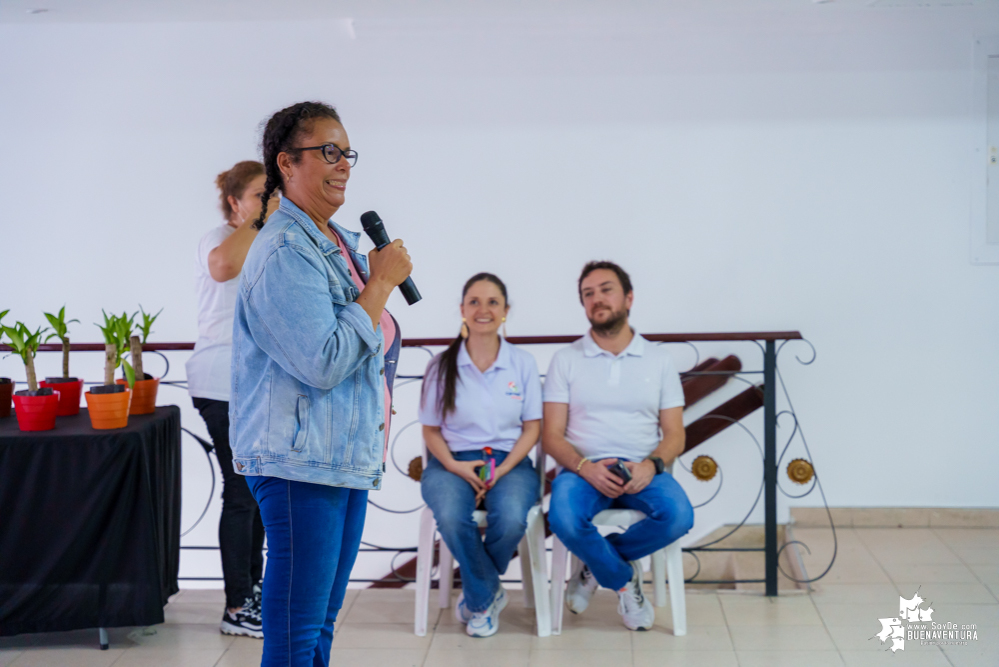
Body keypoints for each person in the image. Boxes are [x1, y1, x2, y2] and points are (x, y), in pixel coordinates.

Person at [229, 101, 411, 666]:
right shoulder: (286, 250)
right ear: (286, 162)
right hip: (296, 465)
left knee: (320, 627)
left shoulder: (334, 243)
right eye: (328, 152)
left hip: (339, 458)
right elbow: (323, 359)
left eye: (347, 153)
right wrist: (380, 283)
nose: (343, 165)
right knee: (294, 635)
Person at [542, 261, 694, 632]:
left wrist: (651, 465)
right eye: (588, 294)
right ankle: (623, 580)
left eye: (606, 289)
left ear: (628, 297)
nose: (597, 299)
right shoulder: (566, 360)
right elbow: (551, 435)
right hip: (583, 469)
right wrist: (584, 468)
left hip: (642, 467)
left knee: (679, 516)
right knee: (561, 517)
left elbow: (675, 433)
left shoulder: (658, 360)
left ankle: (596, 566)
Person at [418, 273, 542, 638]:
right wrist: (455, 465)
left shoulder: (522, 363)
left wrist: (502, 470)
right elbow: (430, 430)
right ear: (462, 310)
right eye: (474, 301)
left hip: (510, 460)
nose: (483, 309)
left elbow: (532, 428)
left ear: (505, 311)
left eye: (492, 302)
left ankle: (477, 593)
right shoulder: (441, 365)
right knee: (454, 518)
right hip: (451, 461)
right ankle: (486, 595)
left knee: (512, 518)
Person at [187, 160, 279, 638]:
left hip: (253, 385)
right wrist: (263, 218)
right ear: (234, 202)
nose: (270, 201)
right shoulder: (217, 238)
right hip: (220, 384)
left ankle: (254, 593)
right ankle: (237, 605)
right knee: (242, 493)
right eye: (261, 193)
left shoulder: (264, 240)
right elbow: (222, 268)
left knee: (257, 494)